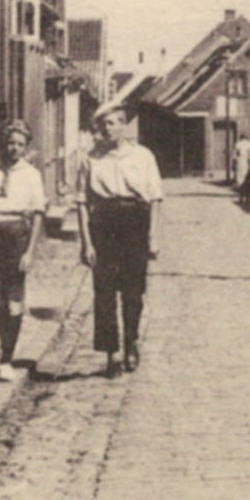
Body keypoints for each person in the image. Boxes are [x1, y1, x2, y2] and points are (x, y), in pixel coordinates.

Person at [75, 105, 164, 377]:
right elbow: (81, 202)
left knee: (133, 292)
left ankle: (131, 342)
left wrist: (153, 235)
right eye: (103, 125)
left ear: (124, 125)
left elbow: (155, 197)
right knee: (103, 292)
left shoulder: (143, 156)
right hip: (103, 224)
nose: (107, 129)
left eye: (113, 123)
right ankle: (111, 352)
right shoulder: (91, 158)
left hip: (134, 223)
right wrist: (86, 243)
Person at [0, 120, 47, 382]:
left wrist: (30, 252)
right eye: (10, 142)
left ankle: (6, 358)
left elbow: (38, 214)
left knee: (13, 300)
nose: (14, 148)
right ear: (3, 143)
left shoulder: (32, 175)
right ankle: (6, 342)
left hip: (17, 236)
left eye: (20, 144)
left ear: (26, 147)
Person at [232, 133, 250, 204]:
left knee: (240, 180)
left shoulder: (238, 144)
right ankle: (247, 198)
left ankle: (241, 197)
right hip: (246, 162)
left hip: (240, 162)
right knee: (247, 180)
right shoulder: (249, 144)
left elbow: (234, 155)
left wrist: (234, 164)